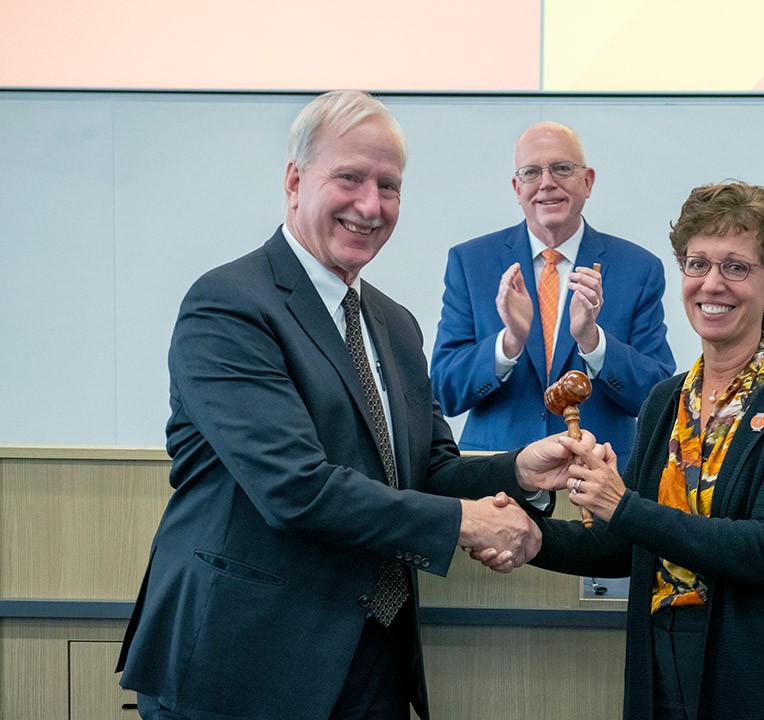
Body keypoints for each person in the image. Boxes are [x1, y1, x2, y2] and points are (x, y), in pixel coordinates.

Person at [115, 90, 583, 720]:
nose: (371, 205)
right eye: (350, 178)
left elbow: (427, 470)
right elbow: (296, 488)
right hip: (244, 665)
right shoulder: (228, 306)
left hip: (372, 661)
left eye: (388, 185)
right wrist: (465, 524)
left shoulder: (394, 323)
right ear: (294, 181)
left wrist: (519, 469)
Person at [497, 181, 764, 718]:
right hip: (662, 667)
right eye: (697, 263)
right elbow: (626, 546)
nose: (711, 283)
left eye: (736, 267)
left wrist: (624, 505)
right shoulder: (666, 400)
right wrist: (530, 536)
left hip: (759, 680)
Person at [431, 121, 675, 468]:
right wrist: (509, 343)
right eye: (532, 172)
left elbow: (658, 401)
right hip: (497, 475)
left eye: (562, 168)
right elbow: (444, 391)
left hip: (599, 475)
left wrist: (593, 341)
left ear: (588, 181)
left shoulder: (638, 268)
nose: (547, 183)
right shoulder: (471, 262)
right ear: (517, 188)